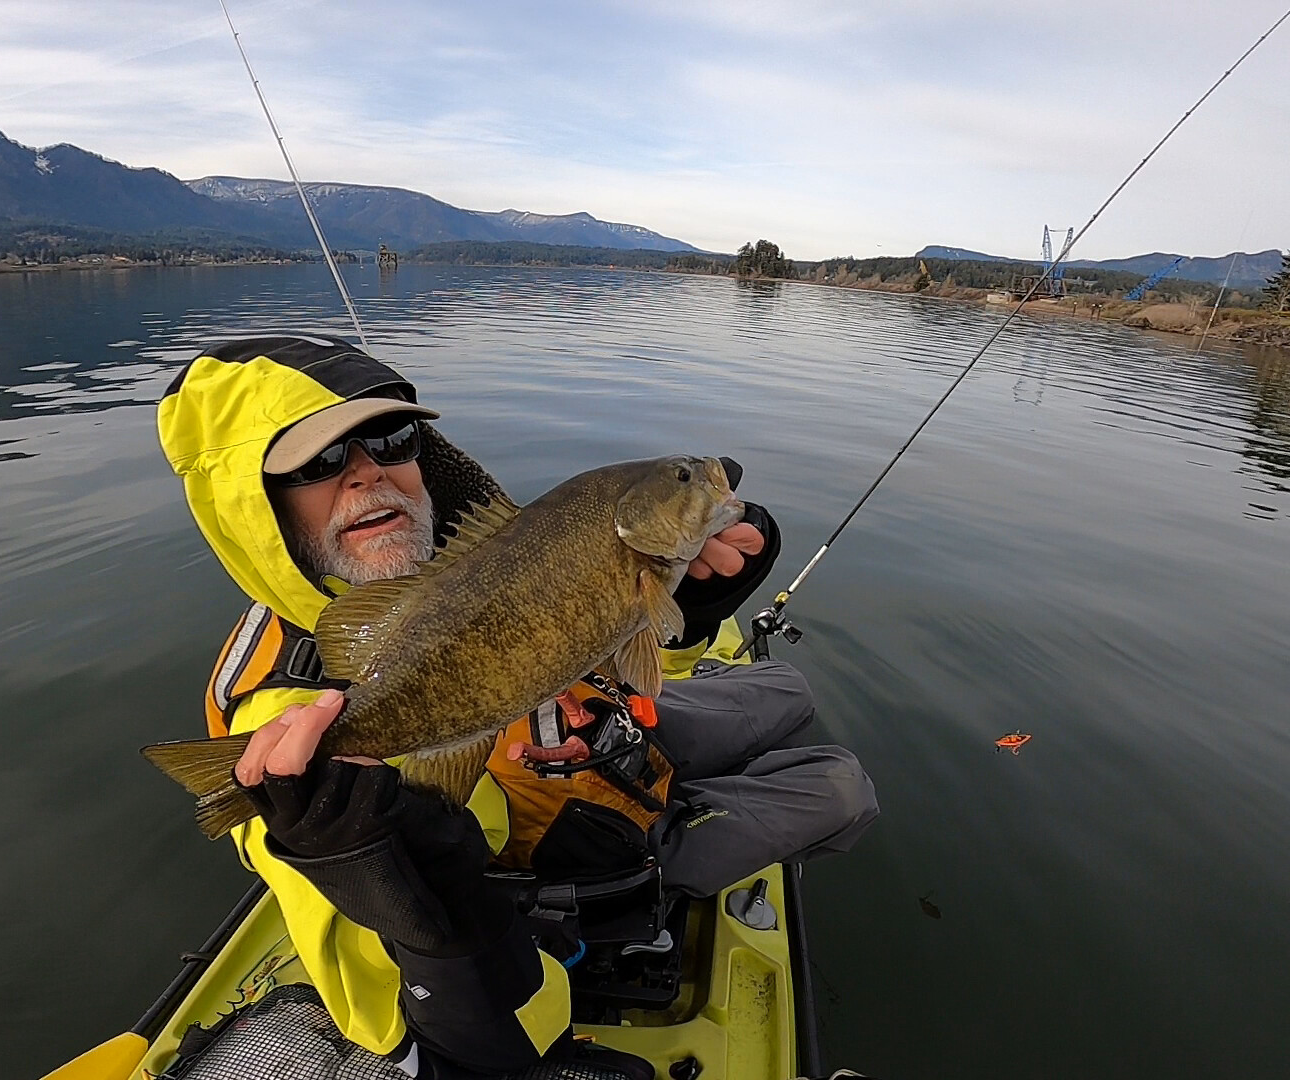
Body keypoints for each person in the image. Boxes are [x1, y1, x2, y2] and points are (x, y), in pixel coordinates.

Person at [159, 335, 878, 1078]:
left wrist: (686, 613)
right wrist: (386, 870)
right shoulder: (284, 730)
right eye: (316, 463)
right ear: (254, 502)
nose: (367, 473)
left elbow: (576, 650)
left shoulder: (443, 564)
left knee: (791, 688)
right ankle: (691, 847)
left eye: (391, 437)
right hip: (571, 845)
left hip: (608, 738)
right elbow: (389, 999)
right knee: (841, 785)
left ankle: (701, 792)